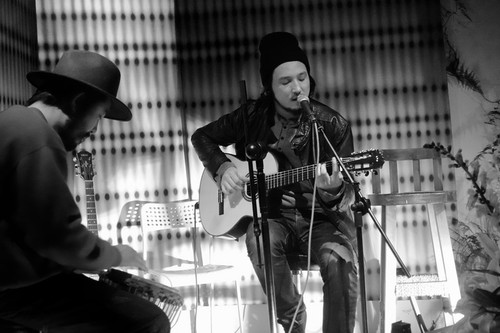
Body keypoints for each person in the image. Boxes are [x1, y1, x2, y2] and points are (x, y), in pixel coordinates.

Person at [192, 32, 359, 333]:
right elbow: (201, 137)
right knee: (259, 240)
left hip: (323, 219)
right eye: (285, 82)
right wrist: (223, 167)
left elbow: (347, 193)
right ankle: (294, 322)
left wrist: (332, 190)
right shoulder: (252, 115)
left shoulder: (332, 124)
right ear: (269, 86)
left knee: (339, 260)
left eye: (302, 78)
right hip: (274, 218)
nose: (298, 88)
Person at [0, 50, 170, 332]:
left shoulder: (14, 123)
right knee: (147, 320)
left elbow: (26, 232)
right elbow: (58, 238)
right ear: (79, 102)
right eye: (99, 116)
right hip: (11, 291)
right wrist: (117, 254)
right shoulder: (37, 137)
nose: (94, 130)